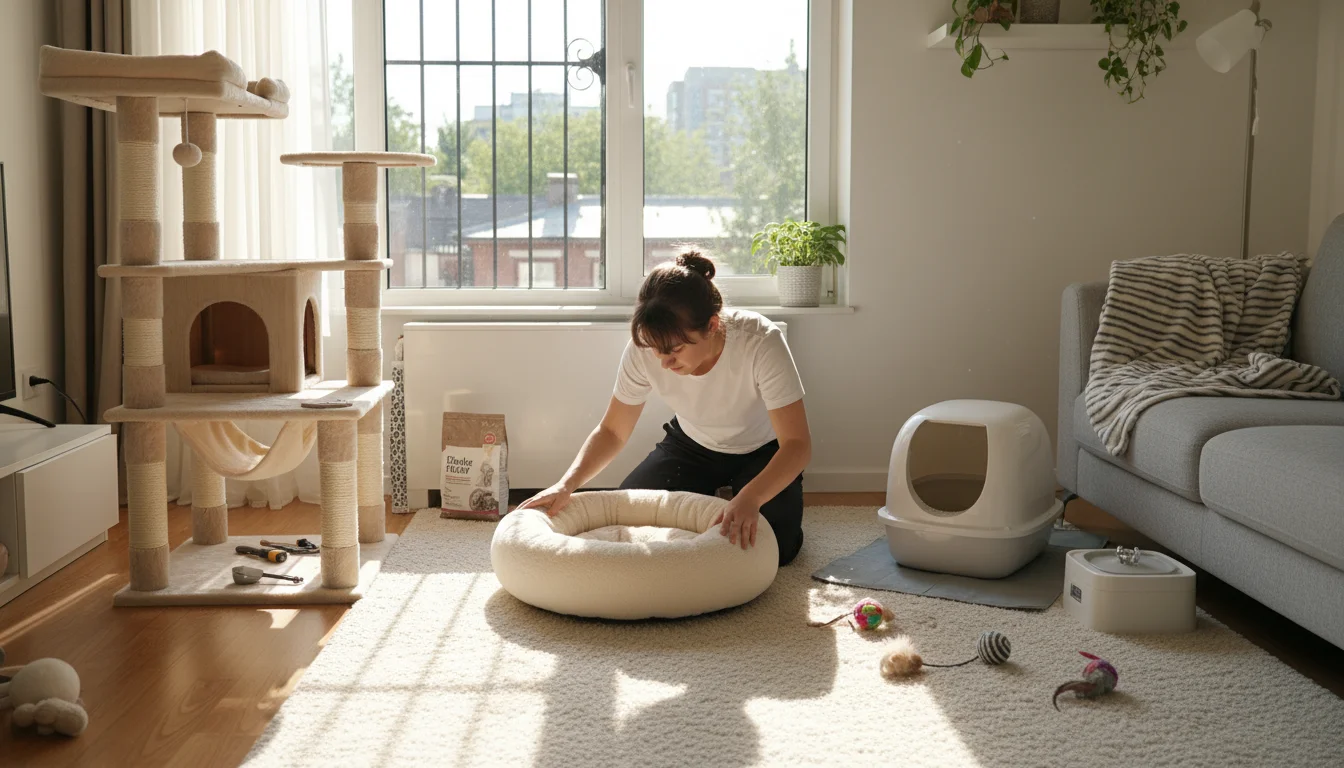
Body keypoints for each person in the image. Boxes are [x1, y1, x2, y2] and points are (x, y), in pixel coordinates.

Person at [517, 250, 812, 566]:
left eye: (675, 350)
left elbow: (797, 445)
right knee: (631, 522)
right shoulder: (645, 348)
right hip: (692, 445)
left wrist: (751, 497)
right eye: (656, 350)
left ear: (712, 326)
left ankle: (734, 495)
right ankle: (712, 499)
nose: (664, 362)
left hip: (762, 451)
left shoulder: (760, 340)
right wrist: (567, 484)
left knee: (775, 548)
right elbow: (613, 430)